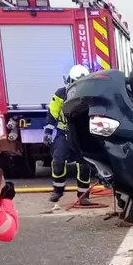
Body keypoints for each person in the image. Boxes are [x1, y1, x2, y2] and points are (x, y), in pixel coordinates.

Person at [43, 64, 93, 204]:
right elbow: (52, 113)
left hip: (83, 134)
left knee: (84, 164)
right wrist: (48, 131)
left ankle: (83, 195)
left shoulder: (90, 94)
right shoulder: (61, 94)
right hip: (63, 133)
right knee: (58, 161)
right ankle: (58, 190)